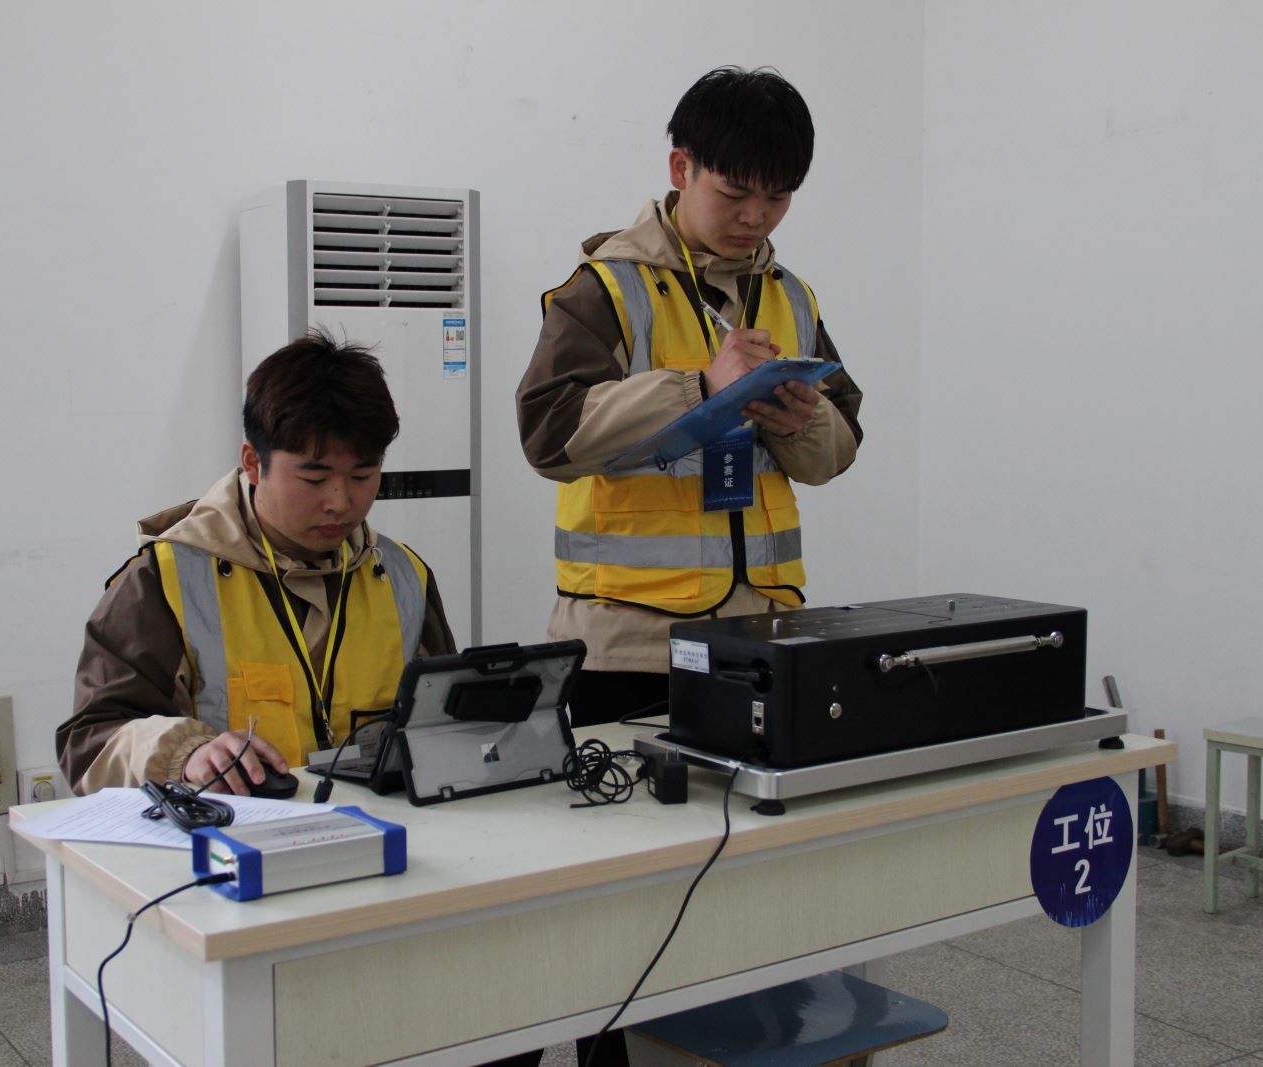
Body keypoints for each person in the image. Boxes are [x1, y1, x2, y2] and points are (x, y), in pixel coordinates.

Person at [517, 66, 864, 738]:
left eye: (779, 197)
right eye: (735, 192)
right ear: (682, 168)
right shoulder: (605, 287)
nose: (755, 216)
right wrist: (698, 388)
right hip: (629, 646)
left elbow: (837, 451)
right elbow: (547, 435)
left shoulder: (792, 296)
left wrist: (802, 423)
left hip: (763, 633)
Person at [57, 332, 455, 795]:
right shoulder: (165, 579)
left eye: (362, 475)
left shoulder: (403, 576)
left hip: (385, 831)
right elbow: (89, 744)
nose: (340, 501)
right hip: (227, 831)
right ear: (252, 462)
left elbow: (441, 723)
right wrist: (186, 755)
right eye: (314, 478)